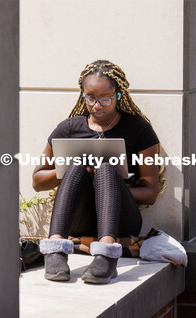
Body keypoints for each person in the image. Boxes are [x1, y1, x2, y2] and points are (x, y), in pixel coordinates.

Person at [32, 60, 162, 284]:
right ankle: (55, 251)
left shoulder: (138, 129)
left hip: (122, 220)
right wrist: (66, 168)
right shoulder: (68, 129)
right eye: (90, 97)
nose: (97, 105)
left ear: (118, 95)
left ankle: (106, 254)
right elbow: (37, 180)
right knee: (77, 163)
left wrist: (107, 182)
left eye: (105, 98)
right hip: (78, 219)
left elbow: (150, 192)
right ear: (83, 95)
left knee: (104, 167)